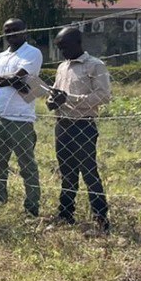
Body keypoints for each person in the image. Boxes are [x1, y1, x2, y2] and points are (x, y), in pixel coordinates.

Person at [48, 26, 112, 230]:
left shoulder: (95, 66)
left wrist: (69, 99)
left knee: (89, 172)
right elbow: (58, 91)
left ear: (78, 43)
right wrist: (52, 100)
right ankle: (65, 214)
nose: (62, 52)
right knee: (66, 172)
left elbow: (103, 96)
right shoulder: (62, 67)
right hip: (63, 124)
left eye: (65, 47)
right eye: (59, 48)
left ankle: (101, 218)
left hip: (83, 124)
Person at [0, 18, 43, 216]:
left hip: (21, 117)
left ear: (25, 31)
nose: (11, 34)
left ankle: (32, 207)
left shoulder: (32, 53)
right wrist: (11, 80)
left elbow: (20, 76)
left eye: (16, 30)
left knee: (26, 164)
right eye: (7, 31)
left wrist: (5, 79)